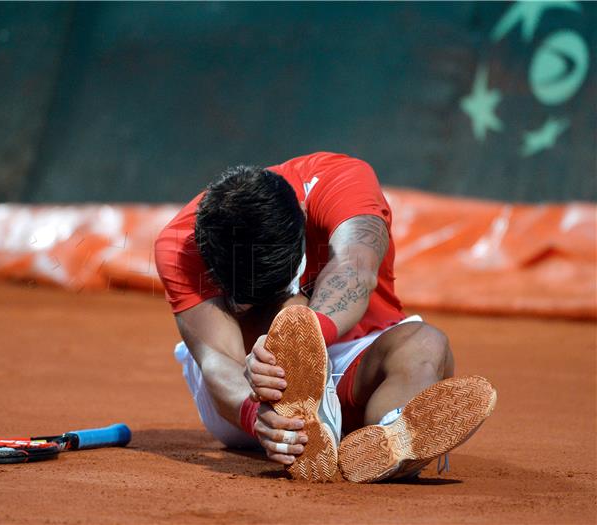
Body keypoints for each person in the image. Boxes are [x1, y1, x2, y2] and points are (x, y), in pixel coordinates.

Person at [154, 152, 496, 482]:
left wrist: (298, 346)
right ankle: (363, 427)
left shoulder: (340, 181)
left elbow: (355, 269)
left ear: (303, 218)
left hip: (340, 353)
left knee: (425, 343)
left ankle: (390, 440)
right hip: (252, 387)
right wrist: (256, 415)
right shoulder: (180, 244)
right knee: (289, 313)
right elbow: (217, 360)